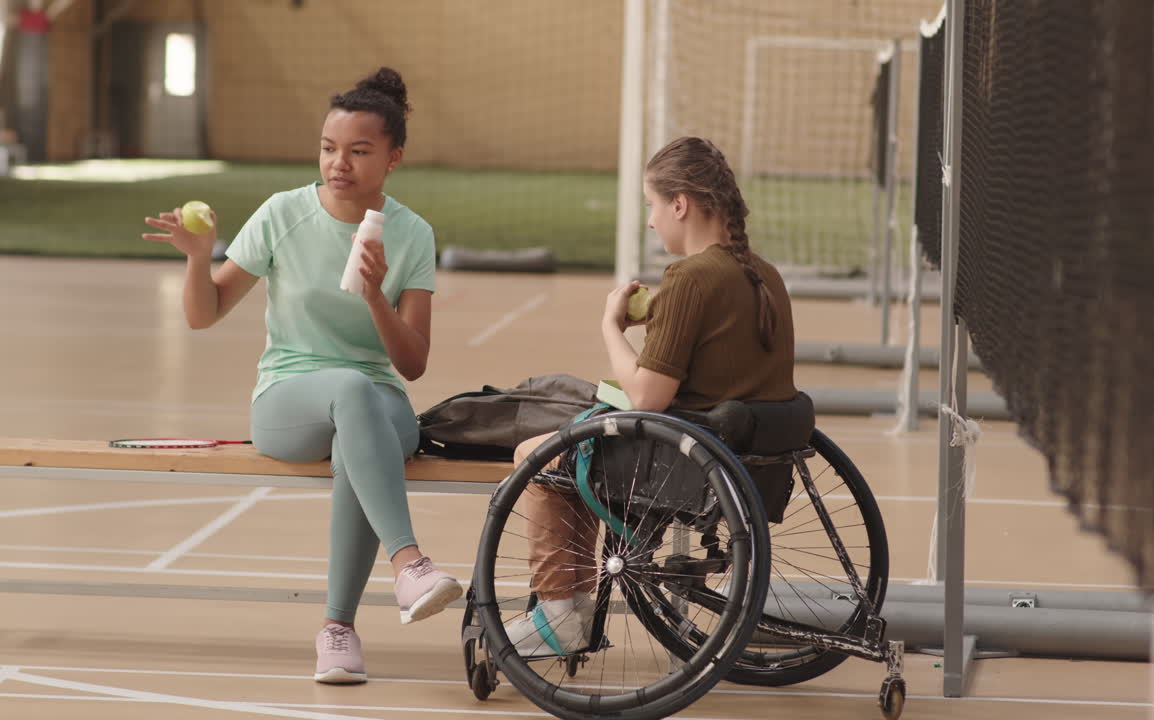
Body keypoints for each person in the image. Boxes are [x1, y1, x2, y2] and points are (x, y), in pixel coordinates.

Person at [141, 67, 462, 684]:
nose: (338, 163)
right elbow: (204, 315)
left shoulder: (413, 233)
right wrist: (198, 259)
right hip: (289, 398)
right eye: (328, 147)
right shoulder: (282, 213)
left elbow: (413, 363)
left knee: (358, 428)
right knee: (348, 390)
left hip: (379, 399)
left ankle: (337, 632)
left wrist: (374, 295)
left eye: (359, 151)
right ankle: (411, 564)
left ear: (393, 158)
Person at [505, 135, 798, 656]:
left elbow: (646, 395)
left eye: (652, 206)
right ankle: (570, 611)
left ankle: (560, 614)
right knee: (577, 447)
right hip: (748, 463)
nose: (649, 220)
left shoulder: (690, 277)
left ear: (680, 204)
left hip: (685, 464)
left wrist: (611, 328)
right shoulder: (764, 275)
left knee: (537, 456)